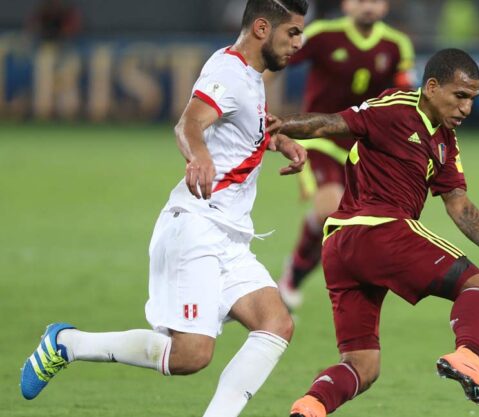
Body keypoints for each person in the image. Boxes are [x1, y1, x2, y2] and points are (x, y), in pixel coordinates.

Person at [20, 1, 309, 416]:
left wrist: (279, 140)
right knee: (191, 356)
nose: (299, 43)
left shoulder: (246, 75)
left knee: (276, 323)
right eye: (293, 33)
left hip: (228, 236)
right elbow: (188, 124)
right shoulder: (229, 71)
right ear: (262, 28)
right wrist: (198, 157)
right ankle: (67, 343)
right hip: (195, 229)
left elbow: (245, 121)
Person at [268, 49, 479, 416]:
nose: (466, 109)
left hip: (340, 248)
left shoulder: (446, 142)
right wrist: (275, 126)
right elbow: (328, 124)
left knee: (362, 365)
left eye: (472, 99)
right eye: (459, 96)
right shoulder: (392, 108)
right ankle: (469, 358)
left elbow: (458, 203)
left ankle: (309, 406)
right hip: (380, 231)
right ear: (431, 87)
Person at [275, 0, 415, 309]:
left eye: (375, 0)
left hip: (365, 146)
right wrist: (261, 101)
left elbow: (405, 95)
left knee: (353, 222)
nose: (368, 6)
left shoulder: (396, 44)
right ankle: (296, 271)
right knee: (330, 207)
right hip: (319, 137)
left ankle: (294, 275)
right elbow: (276, 60)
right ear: (346, 4)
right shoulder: (323, 34)